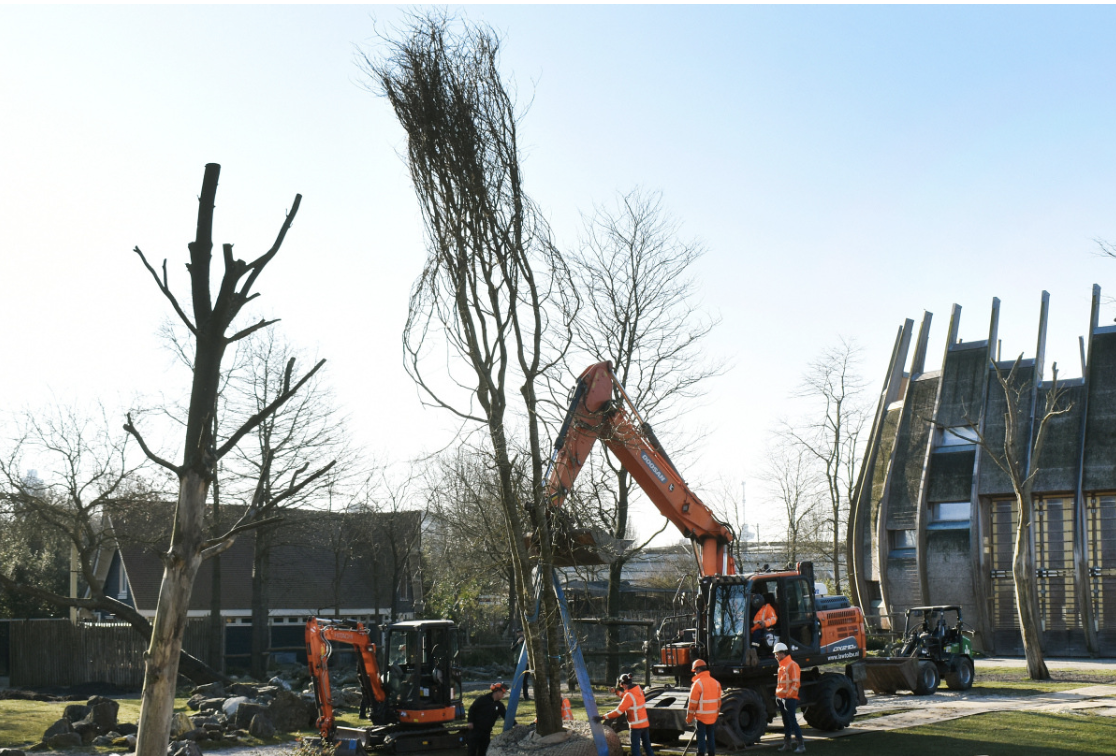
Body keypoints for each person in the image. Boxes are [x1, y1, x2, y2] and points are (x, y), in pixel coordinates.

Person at [595, 673, 655, 756]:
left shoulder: (628, 696)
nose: (621, 687)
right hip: (645, 724)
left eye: (621, 685)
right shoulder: (638, 690)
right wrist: (616, 691)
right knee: (647, 746)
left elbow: (618, 712)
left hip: (636, 727)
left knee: (635, 749)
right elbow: (628, 698)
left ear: (623, 684)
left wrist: (602, 717)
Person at [685, 659, 722, 756]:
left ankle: (700, 753)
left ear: (698, 670)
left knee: (701, 737)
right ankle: (711, 754)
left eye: (695, 671)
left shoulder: (697, 684)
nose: (695, 674)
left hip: (701, 717)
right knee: (711, 736)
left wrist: (689, 718)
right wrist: (715, 715)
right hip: (712, 717)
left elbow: (692, 704)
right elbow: (719, 702)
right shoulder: (716, 683)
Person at [774, 643, 805, 753]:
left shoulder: (792, 665)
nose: (775, 656)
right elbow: (781, 684)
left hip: (789, 699)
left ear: (782, 653)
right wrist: (778, 696)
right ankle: (788, 744)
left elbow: (796, 684)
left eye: (777, 654)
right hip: (783, 698)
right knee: (786, 722)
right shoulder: (782, 666)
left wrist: (788, 697)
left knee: (792, 721)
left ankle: (801, 745)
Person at [467, 682, 508, 756]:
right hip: (475, 730)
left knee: (483, 751)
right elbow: (472, 709)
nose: (503, 695)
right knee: (472, 750)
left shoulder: (499, 705)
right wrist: (470, 721)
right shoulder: (482, 699)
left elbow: (506, 716)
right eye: (502, 693)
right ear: (497, 692)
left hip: (486, 732)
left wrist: (516, 724)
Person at [511, 629, 531, 700]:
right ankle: (516, 697)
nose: (520, 634)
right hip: (517, 663)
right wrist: (517, 643)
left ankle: (526, 696)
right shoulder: (515, 641)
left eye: (521, 632)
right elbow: (512, 650)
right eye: (518, 632)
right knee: (517, 680)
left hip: (526, 663)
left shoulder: (526, 642)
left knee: (525, 681)